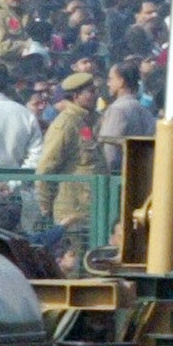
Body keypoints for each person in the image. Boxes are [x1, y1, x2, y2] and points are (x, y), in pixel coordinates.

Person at [36, 70, 101, 232]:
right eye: (91, 92)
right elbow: (46, 167)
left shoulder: (86, 121)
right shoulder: (65, 124)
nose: (96, 95)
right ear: (76, 96)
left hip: (89, 210)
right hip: (72, 213)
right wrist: (45, 206)